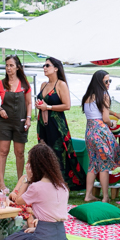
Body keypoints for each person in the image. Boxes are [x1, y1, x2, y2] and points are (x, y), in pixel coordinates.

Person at [0, 144, 70, 240]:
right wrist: (35, 229)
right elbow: (52, 215)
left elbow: (18, 201)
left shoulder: (37, 187)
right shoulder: (62, 186)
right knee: (26, 233)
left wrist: (27, 180)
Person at [34, 56, 85, 191]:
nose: (44, 68)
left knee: (59, 154)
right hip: (43, 124)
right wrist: (39, 105)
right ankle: (47, 183)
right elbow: (42, 102)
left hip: (57, 125)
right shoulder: (43, 85)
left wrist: (48, 107)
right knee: (44, 153)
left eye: (47, 65)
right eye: (44, 66)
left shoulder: (61, 84)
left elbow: (67, 105)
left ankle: (62, 185)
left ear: (55, 68)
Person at [0, 55, 33, 193]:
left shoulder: (24, 83)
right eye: (7, 65)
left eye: (11, 65)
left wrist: (28, 118)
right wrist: (0, 109)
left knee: (19, 153)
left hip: (20, 122)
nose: (8, 68)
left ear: (17, 67)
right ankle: (1, 183)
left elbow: (28, 103)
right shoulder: (0, 84)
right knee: (3, 152)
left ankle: (20, 183)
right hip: (4, 123)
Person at [81, 70, 120, 203]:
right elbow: (105, 118)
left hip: (89, 132)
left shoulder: (88, 96)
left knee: (93, 164)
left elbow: (99, 108)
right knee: (104, 165)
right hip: (100, 131)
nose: (109, 83)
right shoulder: (104, 95)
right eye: (106, 81)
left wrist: (114, 113)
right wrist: (112, 122)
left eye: (110, 80)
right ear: (100, 82)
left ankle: (88, 195)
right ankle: (105, 196)